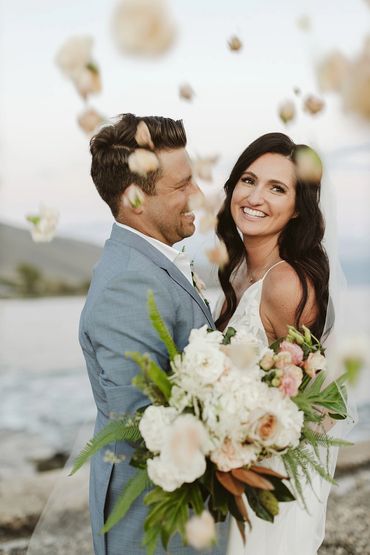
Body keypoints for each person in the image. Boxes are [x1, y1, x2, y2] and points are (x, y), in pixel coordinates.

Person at [79, 113, 229, 555]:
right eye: (182, 186)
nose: (198, 195)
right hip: (156, 526)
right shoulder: (130, 284)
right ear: (134, 199)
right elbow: (145, 427)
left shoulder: (151, 264)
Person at [214, 132, 335, 555]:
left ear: (298, 209)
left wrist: (250, 437)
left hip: (269, 483)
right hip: (233, 473)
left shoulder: (286, 283)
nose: (255, 196)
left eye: (277, 188)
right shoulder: (237, 274)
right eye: (248, 180)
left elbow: (315, 407)